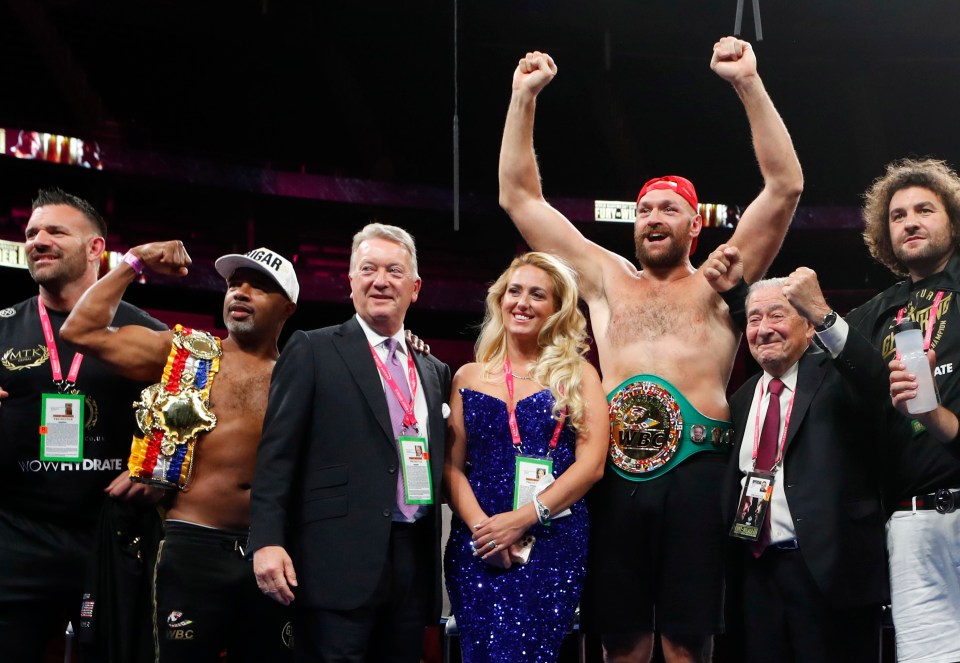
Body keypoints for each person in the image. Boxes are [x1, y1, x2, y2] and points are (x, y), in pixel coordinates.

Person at [498, 36, 803, 662]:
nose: (652, 216)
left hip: (700, 474)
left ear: (694, 224)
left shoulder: (722, 276)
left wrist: (748, 82)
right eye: (643, 209)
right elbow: (520, 199)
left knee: (687, 644)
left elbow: (785, 186)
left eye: (668, 207)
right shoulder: (605, 280)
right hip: (614, 477)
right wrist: (522, 98)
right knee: (623, 643)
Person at [60, 242, 299, 661]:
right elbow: (80, 331)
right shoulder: (183, 353)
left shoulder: (303, 374)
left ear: (288, 308)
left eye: (258, 286)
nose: (240, 292)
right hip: (192, 547)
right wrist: (134, 262)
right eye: (233, 284)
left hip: (271, 551)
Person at [249, 223, 451, 663]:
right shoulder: (312, 349)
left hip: (411, 563)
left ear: (415, 288)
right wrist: (266, 540)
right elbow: (275, 457)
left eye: (395, 271)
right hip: (333, 560)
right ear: (351, 280)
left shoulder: (434, 370)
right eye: (369, 269)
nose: (381, 281)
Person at [0, 188, 165, 661]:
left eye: (55, 231)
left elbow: (199, 420)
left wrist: (156, 466)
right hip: (15, 535)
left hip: (110, 535)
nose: (38, 241)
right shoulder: (2, 328)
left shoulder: (144, 333)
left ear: (96, 249)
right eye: (31, 233)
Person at [716, 267, 893, 662]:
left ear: (809, 328)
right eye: (754, 319)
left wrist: (825, 314)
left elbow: (875, 378)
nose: (763, 328)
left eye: (777, 315)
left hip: (829, 573)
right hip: (757, 575)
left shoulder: (836, 377)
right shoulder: (741, 400)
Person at [443, 252, 607, 662]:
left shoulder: (579, 374)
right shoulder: (467, 376)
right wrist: (485, 530)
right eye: (514, 291)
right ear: (500, 300)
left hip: (551, 543)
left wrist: (522, 519)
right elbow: (450, 466)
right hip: (477, 545)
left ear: (555, 310)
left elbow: (591, 465)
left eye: (538, 295)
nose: (523, 302)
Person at [845, 157, 960, 663]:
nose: (910, 221)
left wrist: (935, 416)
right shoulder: (875, 313)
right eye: (897, 215)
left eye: (924, 210)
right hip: (913, 521)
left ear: (952, 221)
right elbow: (805, 341)